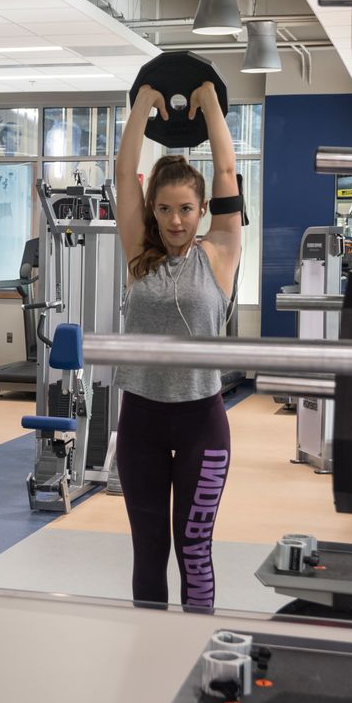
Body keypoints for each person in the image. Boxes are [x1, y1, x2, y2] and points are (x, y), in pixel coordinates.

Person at [114, 81, 242, 611]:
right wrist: (143, 102)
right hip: (141, 420)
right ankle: (149, 658)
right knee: (149, 551)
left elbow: (228, 172)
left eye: (186, 209)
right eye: (164, 209)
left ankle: (196, 654)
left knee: (194, 549)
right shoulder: (138, 251)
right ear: (152, 209)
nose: (175, 220)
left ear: (202, 207)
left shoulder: (220, 254)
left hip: (201, 424)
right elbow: (124, 175)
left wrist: (210, 105)